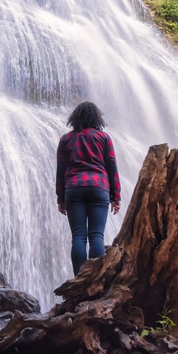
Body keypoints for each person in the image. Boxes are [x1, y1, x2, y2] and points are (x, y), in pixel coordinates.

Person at [56, 101, 121, 276]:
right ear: (96, 118)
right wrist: (116, 196)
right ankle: (94, 278)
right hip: (99, 187)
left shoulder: (66, 139)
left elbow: (60, 172)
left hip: (74, 188)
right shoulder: (104, 138)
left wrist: (60, 199)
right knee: (96, 236)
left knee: (78, 236)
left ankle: (78, 277)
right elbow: (112, 167)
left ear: (74, 118)